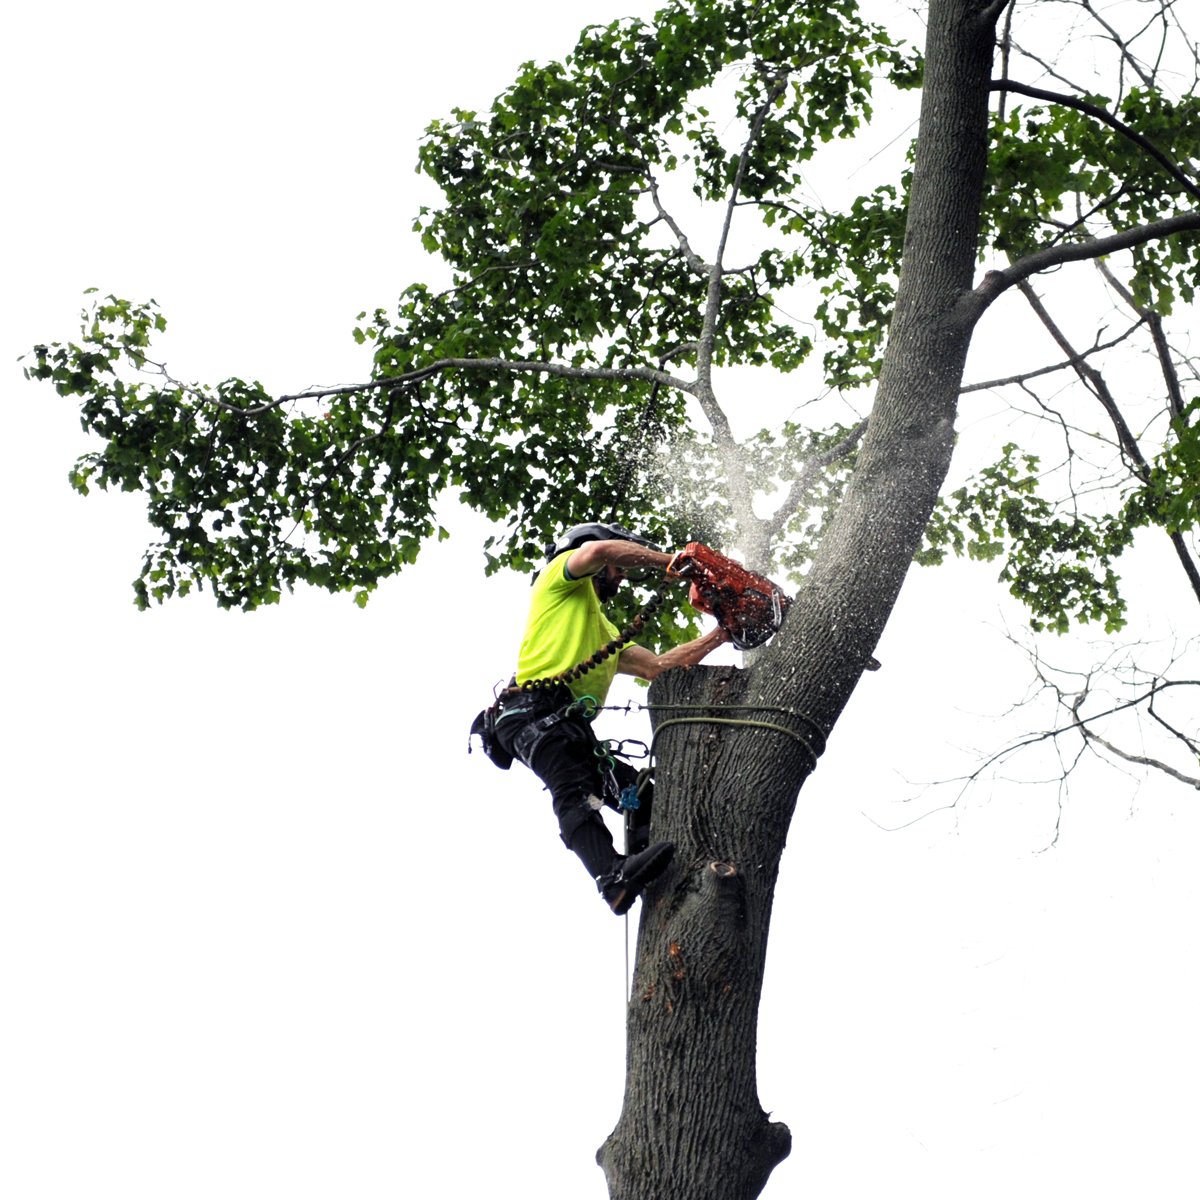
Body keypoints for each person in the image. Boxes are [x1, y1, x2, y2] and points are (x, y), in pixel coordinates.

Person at [484, 522, 729, 915]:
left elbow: (658, 667)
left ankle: (648, 854)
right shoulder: (558, 579)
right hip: (533, 713)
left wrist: (721, 633)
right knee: (574, 790)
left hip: (571, 725)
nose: (622, 573)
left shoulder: (606, 630)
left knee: (645, 794)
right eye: (619, 565)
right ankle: (610, 877)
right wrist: (674, 563)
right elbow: (601, 554)